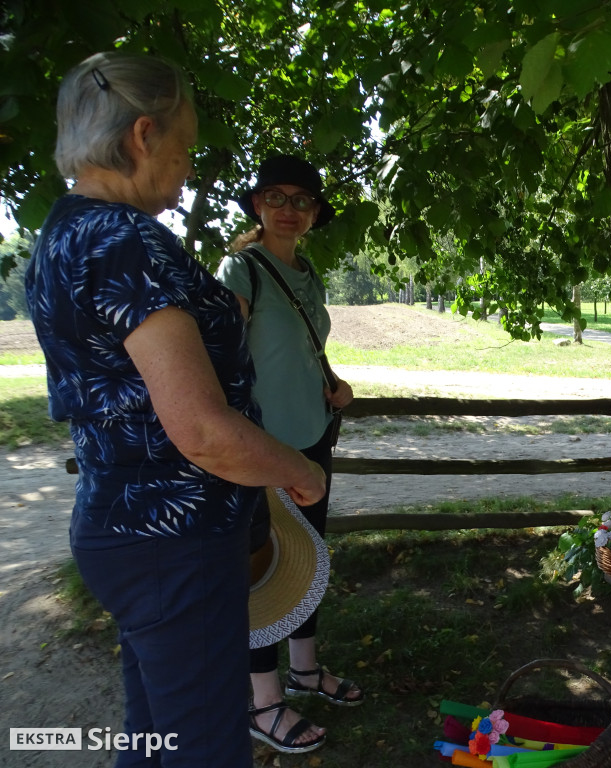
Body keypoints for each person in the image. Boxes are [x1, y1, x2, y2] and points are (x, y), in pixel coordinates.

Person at [24, 52, 327, 767]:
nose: (188, 168)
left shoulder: (63, 234)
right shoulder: (125, 241)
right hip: (173, 541)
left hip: (126, 529)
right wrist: (298, 470)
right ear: (143, 136)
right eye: (185, 147)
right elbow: (199, 430)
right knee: (203, 746)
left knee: (156, 735)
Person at [215, 154, 362, 753]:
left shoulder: (311, 276)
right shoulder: (238, 271)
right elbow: (221, 365)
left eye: (302, 200)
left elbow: (299, 354)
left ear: (315, 213)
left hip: (313, 440)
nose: (288, 209)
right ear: (256, 205)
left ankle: (306, 671)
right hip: (260, 451)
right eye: (275, 196)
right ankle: (264, 703)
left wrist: (335, 385)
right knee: (263, 577)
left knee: (308, 565)